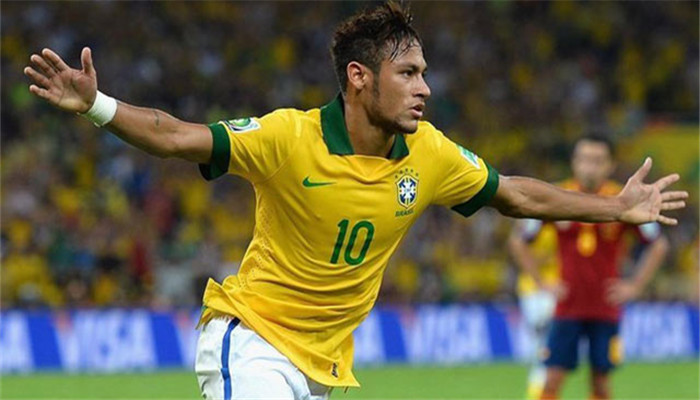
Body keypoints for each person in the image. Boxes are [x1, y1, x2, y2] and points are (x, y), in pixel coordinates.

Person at [23, 3, 687, 399]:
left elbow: (513, 193)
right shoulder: (289, 138)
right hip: (252, 342)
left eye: (424, 73)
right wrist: (98, 105)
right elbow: (176, 137)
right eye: (409, 73)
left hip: (323, 364)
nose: (425, 88)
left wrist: (618, 208)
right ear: (359, 78)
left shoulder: (429, 153)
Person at [510, 135, 670, 400]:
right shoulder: (556, 197)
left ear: (610, 165)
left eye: (597, 161)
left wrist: (635, 286)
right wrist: (541, 282)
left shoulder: (623, 200)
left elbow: (658, 244)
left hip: (605, 305)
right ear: (574, 162)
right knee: (551, 380)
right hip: (567, 305)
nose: (589, 167)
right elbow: (519, 240)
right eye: (584, 159)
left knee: (601, 384)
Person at [508, 220, 560, 400]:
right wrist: (540, 281)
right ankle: (538, 391)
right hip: (537, 290)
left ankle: (538, 390)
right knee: (546, 342)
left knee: (545, 345)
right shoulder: (535, 218)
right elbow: (516, 243)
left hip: (555, 287)